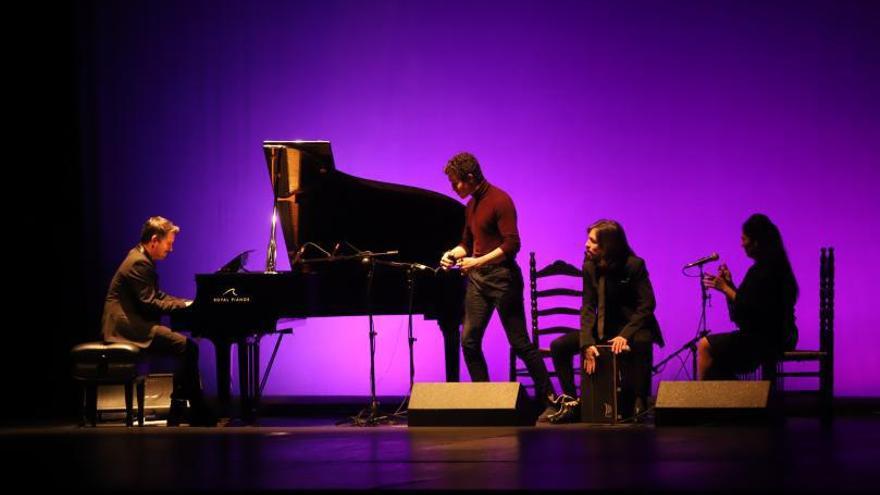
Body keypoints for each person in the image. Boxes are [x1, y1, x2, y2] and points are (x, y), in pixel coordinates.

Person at [439, 152, 559, 420]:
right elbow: (467, 244)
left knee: (519, 343)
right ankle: (486, 400)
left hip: (503, 280)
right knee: (469, 341)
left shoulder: (500, 200)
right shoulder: (471, 206)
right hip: (478, 281)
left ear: (470, 178)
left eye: (455, 182)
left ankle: (550, 399)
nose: (453, 188)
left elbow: (511, 245)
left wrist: (478, 262)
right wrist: (452, 253)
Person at [102, 216, 216, 426]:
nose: (171, 249)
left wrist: (185, 303)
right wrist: (185, 306)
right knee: (187, 347)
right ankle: (194, 409)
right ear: (155, 239)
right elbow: (150, 303)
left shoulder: (141, 258)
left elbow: (157, 296)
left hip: (133, 323)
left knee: (186, 348)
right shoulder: (138, 262)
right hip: (126, 327)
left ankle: (181, 407)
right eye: (169, 243)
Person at [548, 219, 664, 423]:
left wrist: (624, 336)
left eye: (592, 241)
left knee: (642, 341)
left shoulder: (633, 265)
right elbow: (588, 306)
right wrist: (587, 342)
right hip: (603, 328)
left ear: (608, 246)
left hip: (631, 326)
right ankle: (574, 402)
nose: (586, 244)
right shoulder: (589, 266)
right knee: (559, 346)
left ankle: (639, 400)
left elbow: (647, 305)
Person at [698, 213, 798, 380]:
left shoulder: (764, 271)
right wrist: (729, 285)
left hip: (765, 338)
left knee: (704, 346)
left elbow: (751, 309)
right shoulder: (774, 266)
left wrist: (724, 288)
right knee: (717, 362)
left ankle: (702, 401)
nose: (741, 244)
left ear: (756, 242)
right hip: (778, 335)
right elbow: (745, 307)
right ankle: (736, 399)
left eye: (744, 239)